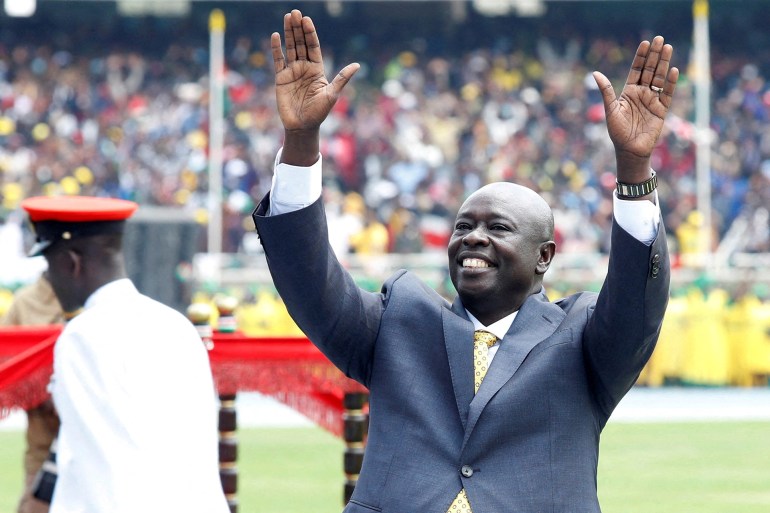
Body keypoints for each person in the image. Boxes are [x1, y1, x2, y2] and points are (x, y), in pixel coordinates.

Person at [253, 9, 675, 513]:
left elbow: (636, 302)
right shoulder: (398, 319)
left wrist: (634, 168)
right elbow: (308, 279)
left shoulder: (582, 338)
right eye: (463, 226)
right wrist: (301, 143)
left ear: (544, 258)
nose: (473, 238)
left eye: (497, 229)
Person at [19, 196, 229, 513]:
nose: (52, 281)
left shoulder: (82, 336)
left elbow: (92, 469)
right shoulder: (175, 324)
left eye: (51, 268)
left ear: (71, 264)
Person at [1, 272, 64, 513]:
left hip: (91, 454)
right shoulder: (26, 303)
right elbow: (6, 367)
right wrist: (38, 390)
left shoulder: (97, 306)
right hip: (43, 451)